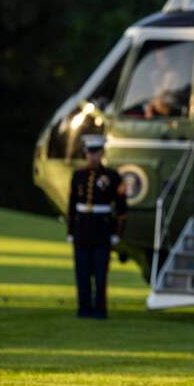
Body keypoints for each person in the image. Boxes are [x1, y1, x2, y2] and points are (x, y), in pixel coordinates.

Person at [66, 134, 128, 319]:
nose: (93, 156)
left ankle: (100, 309)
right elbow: (71, 207)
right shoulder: (78, 176)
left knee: (101, 274)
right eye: (89, 152)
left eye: (96, 152)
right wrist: (70, 231)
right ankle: (83, 308)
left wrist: (118, 233)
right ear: (86, 153)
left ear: (102, 153)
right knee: (82, 272)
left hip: (102, 230)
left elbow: (122, 208)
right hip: (82, 230)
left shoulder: (112, 176)